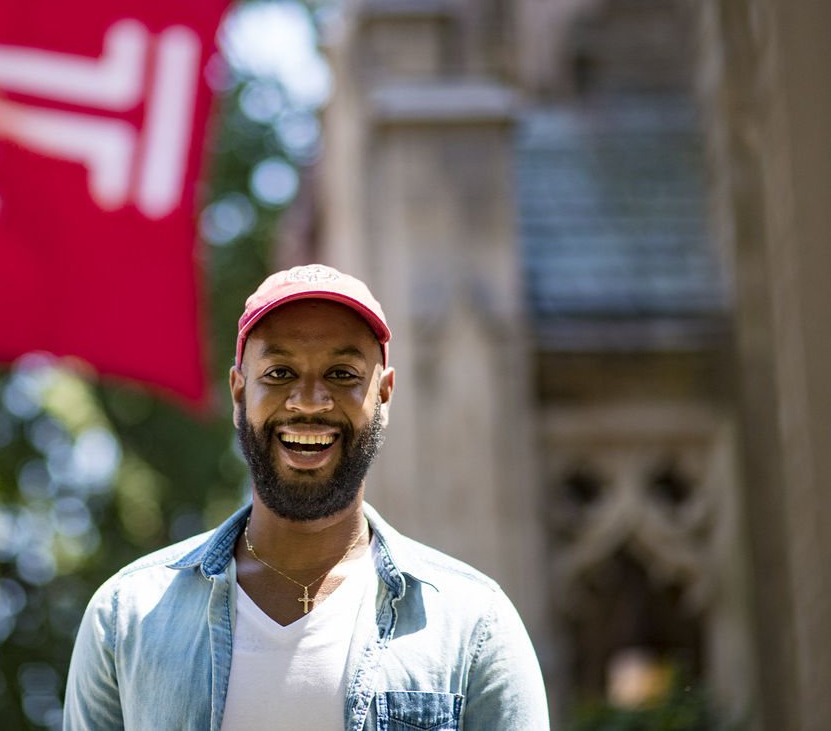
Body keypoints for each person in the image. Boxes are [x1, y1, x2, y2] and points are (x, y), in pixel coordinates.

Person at [63, 264, 548, 730]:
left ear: (384, 394)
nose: (310, 401)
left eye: (342, 374)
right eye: (279, 373)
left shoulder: (472, 624)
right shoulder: (126, 618)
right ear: (238, 392)